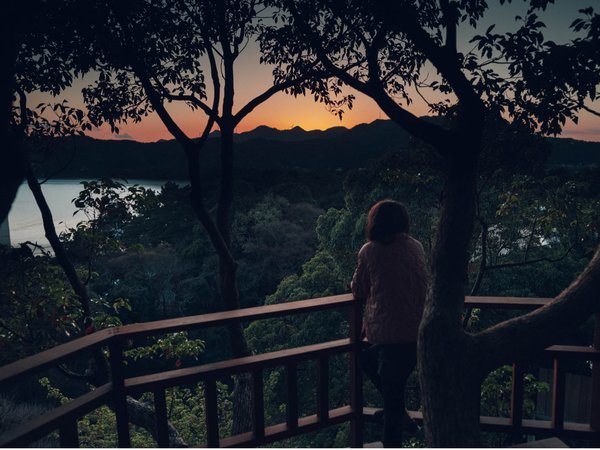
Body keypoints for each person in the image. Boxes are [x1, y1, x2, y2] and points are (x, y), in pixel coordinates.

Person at [351, 199, 428, 447]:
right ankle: (402, 414)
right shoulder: (416, 247)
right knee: (372, 366)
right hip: (417, 330)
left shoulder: (370, 251)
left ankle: (398, 421)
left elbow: (358, 290)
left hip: (387, 336)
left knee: (391, 408)